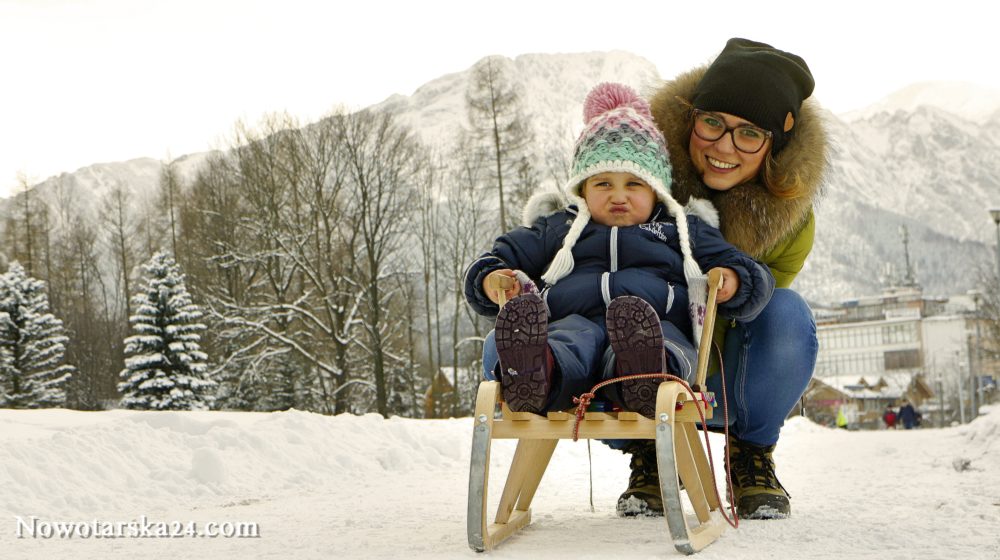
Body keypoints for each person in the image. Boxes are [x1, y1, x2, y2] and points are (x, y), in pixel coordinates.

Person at [463, 83, 775, 485]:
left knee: (658, 340)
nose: (618, 196)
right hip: (574, 320)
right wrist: (491, 278)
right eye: (603, 184)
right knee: (568, 341)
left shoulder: (679, 230)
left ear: (656, 188)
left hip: (652, 323)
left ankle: (646, 375)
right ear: (582, 188)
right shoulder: (560, 228)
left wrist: (731, 278)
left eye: (634, 184)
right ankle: (539, 371)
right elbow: (499, 255)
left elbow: (746, 268)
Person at [631, 37, 829, 520]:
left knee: (785, 312)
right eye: (713, 123)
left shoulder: (788, 220)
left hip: (723, 378)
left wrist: (729, 285)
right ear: (690, 118)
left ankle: (751, 453)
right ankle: (652, 453)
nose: (723, 147)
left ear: (774, 145)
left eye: (748, 134)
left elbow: (757, 319)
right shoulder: (636, 186)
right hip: (636, 373)